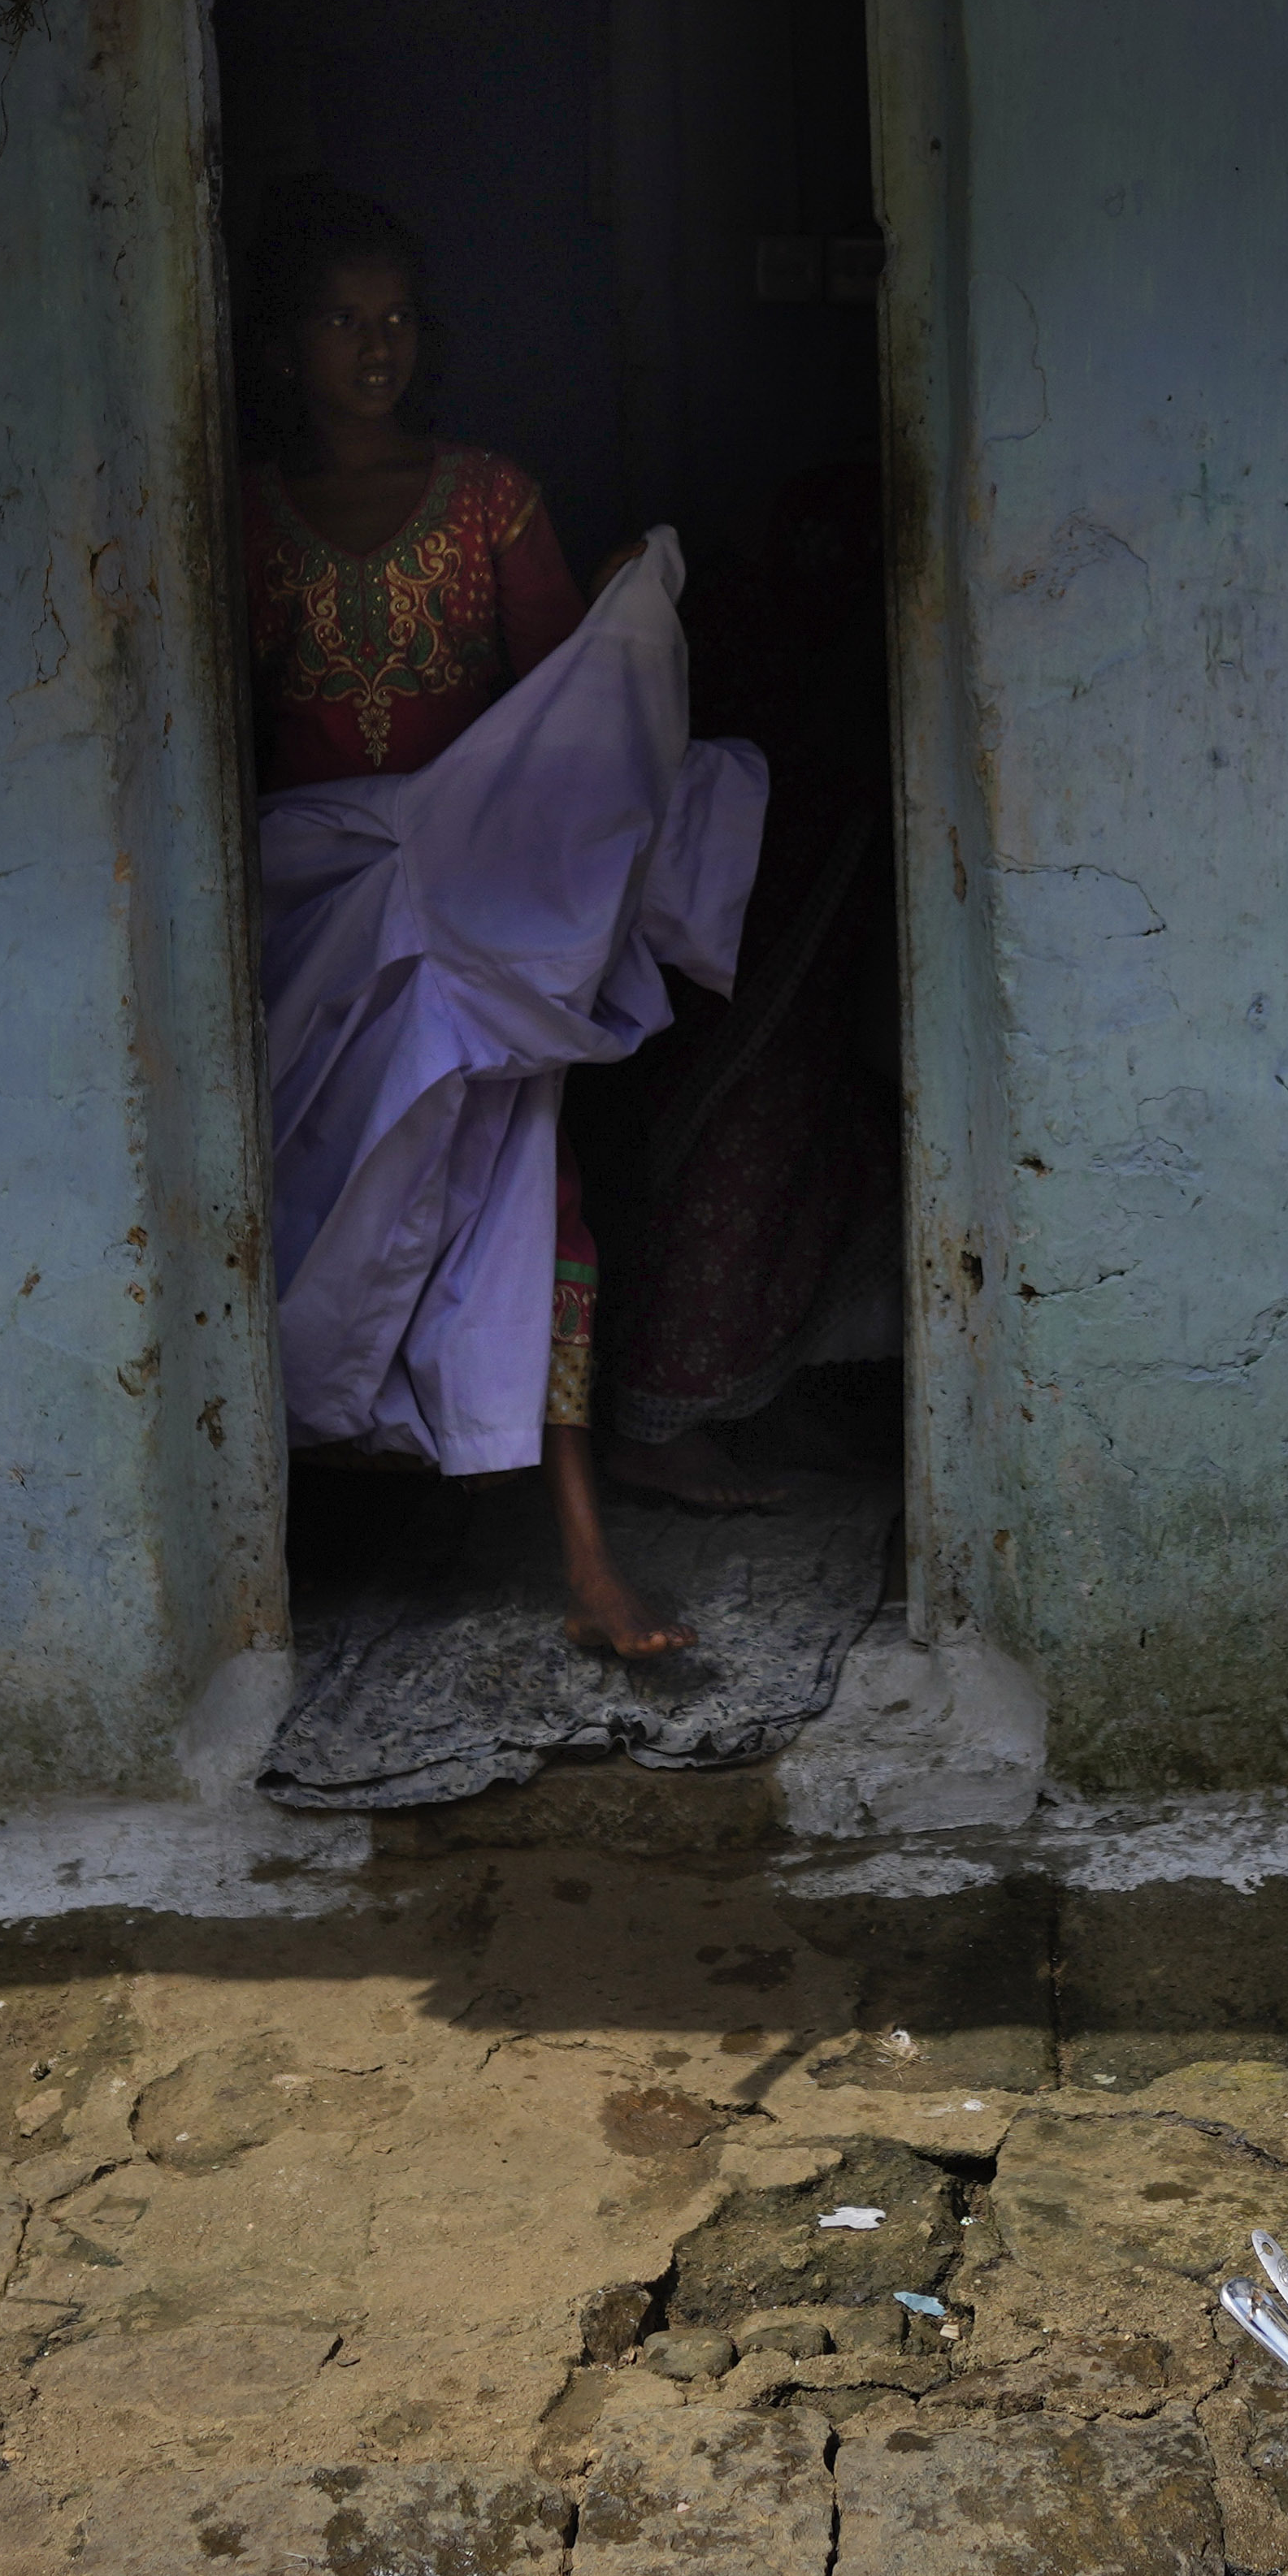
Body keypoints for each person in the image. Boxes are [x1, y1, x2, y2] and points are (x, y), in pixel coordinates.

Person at [239, 182, 767, 1662]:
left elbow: (555, 720)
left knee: (534, 1204)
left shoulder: (490, 500)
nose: (375, 346)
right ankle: (279, 1561)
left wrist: (616, 628)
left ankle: (590, 1561)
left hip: (470, 915)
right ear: (287, 344)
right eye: (342, 319)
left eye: (397, 317)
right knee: (302, 1208)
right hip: (315, 914)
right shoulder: (234, 514)